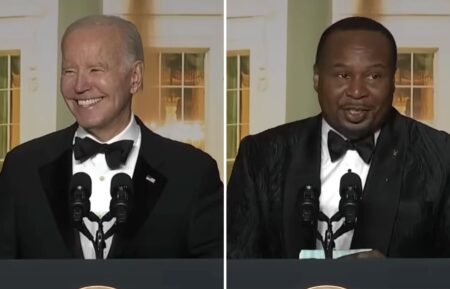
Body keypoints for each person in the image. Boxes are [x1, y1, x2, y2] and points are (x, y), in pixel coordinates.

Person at [0, 15, 223, 259]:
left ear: (135, 77)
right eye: (69, 70)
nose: (80, 85)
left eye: (96, 69)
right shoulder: (22, 169)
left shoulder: (192, 174)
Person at [227, 16, 450, 258]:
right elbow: (236, 266)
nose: (357, 92)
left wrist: (395, 278)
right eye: (343, 75)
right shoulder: (261, 155)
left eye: (374, 76)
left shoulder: (441, 156)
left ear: (393, 81)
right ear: (316, 78)